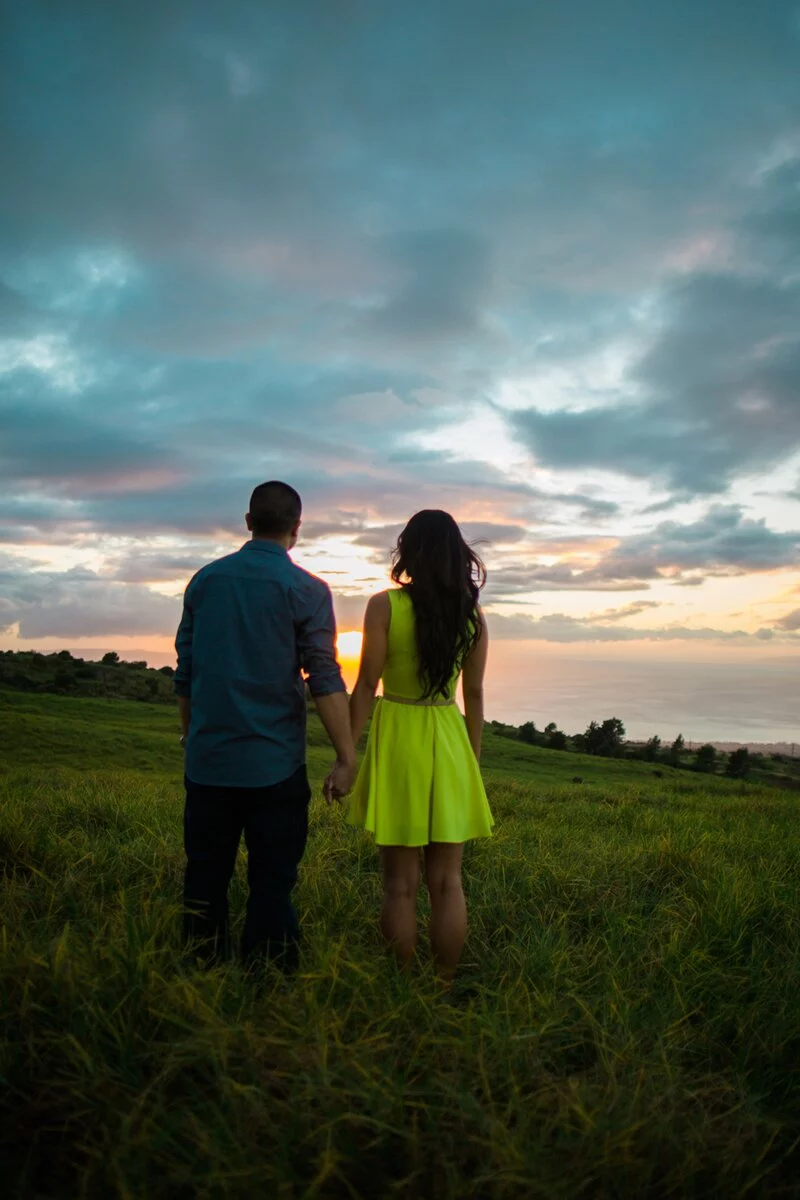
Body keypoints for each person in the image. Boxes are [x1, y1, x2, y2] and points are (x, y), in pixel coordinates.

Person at [174, 481, 356, 972]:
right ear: (297, 529)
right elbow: (323, 674)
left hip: (209, 763)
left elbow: (186, 668)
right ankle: (269, 981)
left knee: (204, 878)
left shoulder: (205, 581)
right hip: (275, 767)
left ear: (248, 521)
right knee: (273, 881)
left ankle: (198, 973)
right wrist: (346, 756)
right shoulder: (308, 591)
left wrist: (190, 734)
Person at [341, 509, 494, 980]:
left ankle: (403, 984)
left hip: (400, 736)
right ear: (456, 554)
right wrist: (472, 763)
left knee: (399, 885)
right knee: (448, 881)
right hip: (449, 737)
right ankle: (445, 982)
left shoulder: (384, 605)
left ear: (409, 550)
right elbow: (474, 695)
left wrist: (346, 752)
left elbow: (366, 683)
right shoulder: (472, 615)